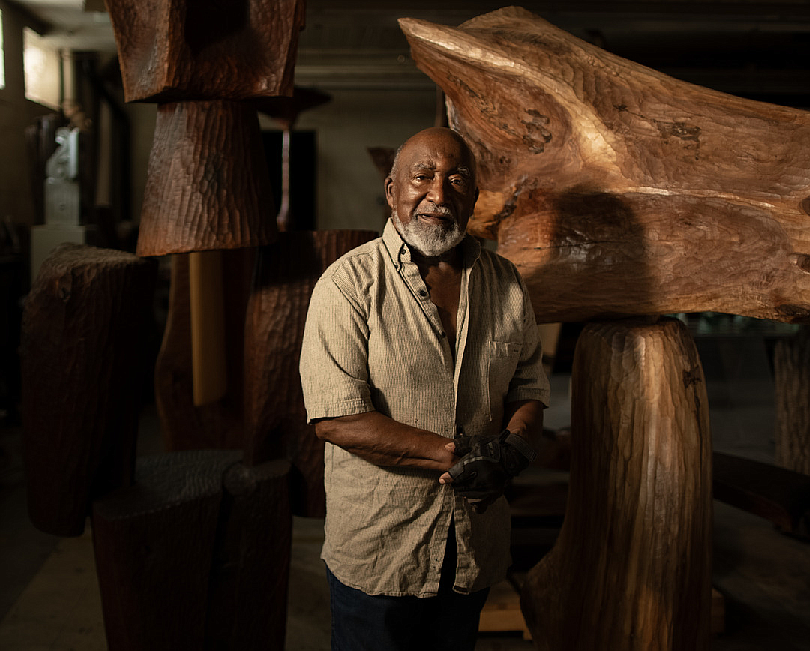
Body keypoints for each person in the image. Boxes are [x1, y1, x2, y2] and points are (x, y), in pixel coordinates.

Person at [299, 127, 550, 651]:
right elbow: (335, 417)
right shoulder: (347, 285)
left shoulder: (505, 284)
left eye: (456, 179)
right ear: (392, 191)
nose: (439, 194)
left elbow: (529, 385)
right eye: (423, 176)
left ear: (474, 199)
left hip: (473, 547)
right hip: (382, 550)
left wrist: (514, 451)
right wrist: (456, 457)